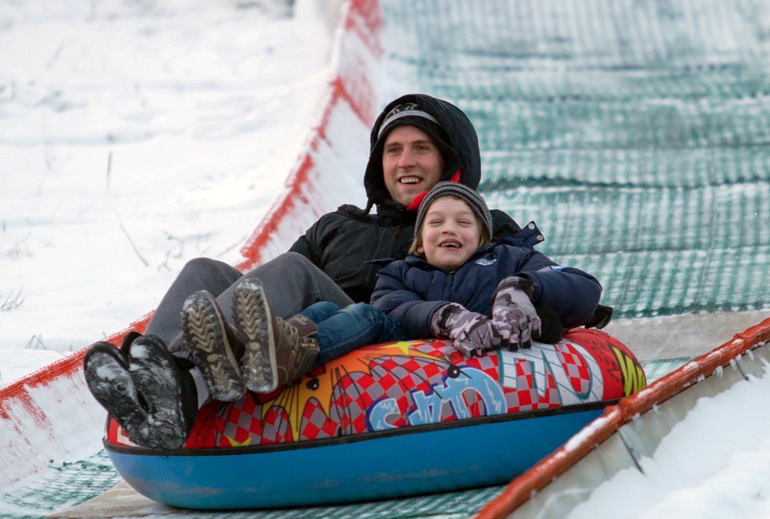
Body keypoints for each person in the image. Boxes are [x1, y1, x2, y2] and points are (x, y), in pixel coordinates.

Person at [83, 93, 607, 450]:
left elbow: (549, 279)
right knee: (205, 268)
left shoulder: (477, 228)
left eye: (421, 148)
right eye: (393, 149)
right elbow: (256, 293)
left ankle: (176, 382)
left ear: (453, 162)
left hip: (368, 332)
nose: (405, 161)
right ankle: (156, 381)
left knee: (293, 269)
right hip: (298, 328)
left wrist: (521, 294)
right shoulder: (339, 226)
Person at [225, 181, 601, 394]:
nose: (450, 229)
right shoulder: (400, 272)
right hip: (405, 343)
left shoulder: (507, 261)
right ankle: (282, 346)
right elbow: (391, 307)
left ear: (484, 237)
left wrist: (521, 290)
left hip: (455, 361)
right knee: (338, 313)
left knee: (358, 314)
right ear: (419, 241)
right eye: (436, 222)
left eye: (463, 222)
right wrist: (445, 317)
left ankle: (288, 351)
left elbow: (584, 287)